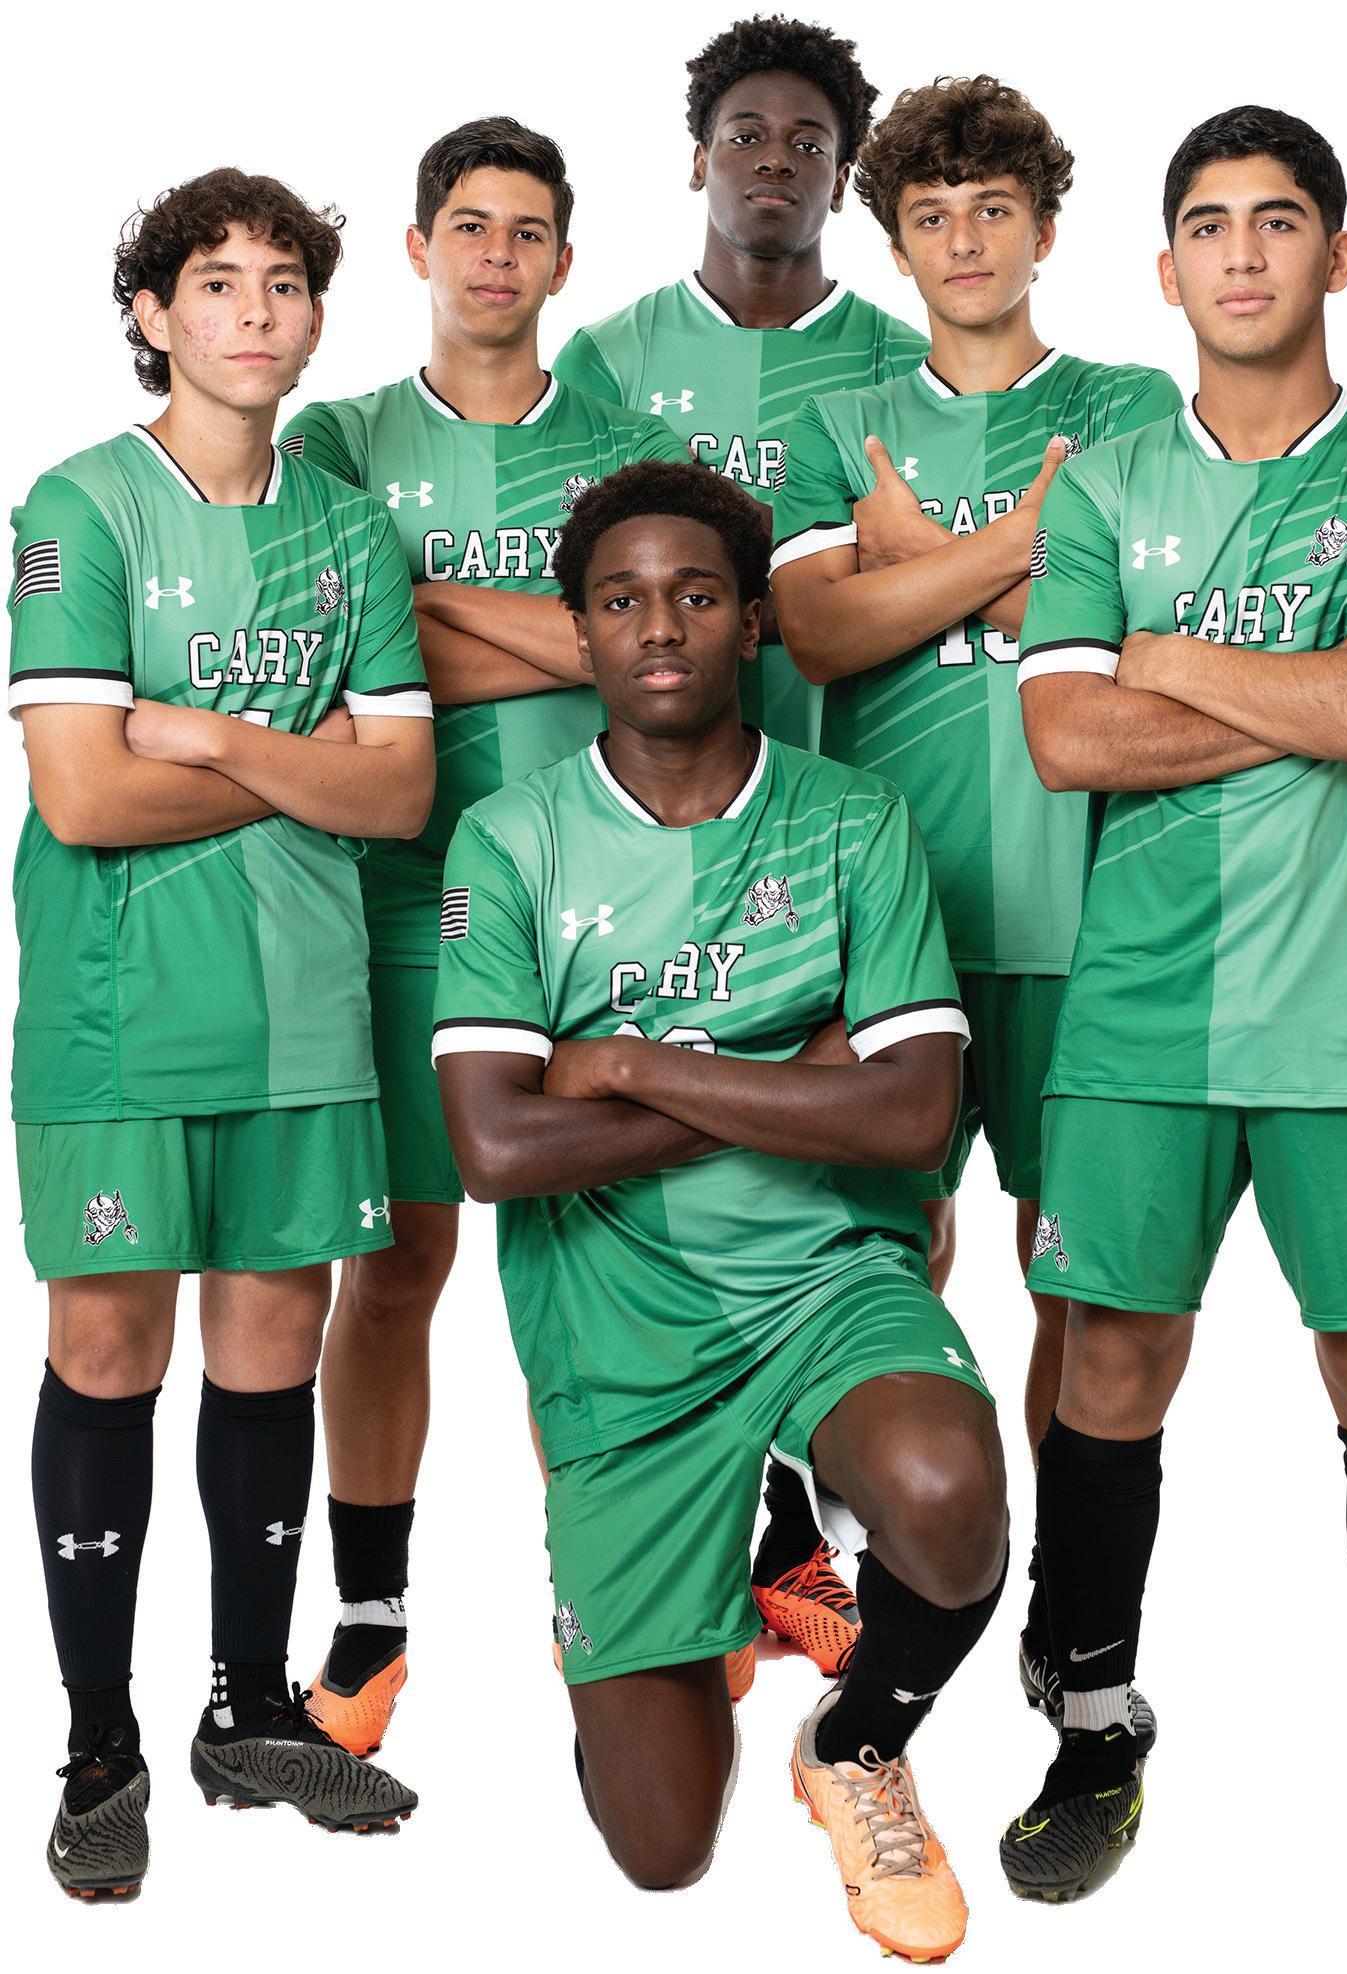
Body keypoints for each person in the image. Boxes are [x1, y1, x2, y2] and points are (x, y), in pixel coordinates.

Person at [998, 107, 1347, 1931]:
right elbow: (1067, 738)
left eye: (1279, 222)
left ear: (1336, 255)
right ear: (1165, 269)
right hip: (1136, 1007)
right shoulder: (1105, 484)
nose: (1244, 254)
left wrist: (1179, 659)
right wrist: (1318, 681)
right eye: (1208, 225)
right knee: (1110, 1371)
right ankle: (1096, 1732)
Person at [434, 459, 1006, 1961]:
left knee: (947, 1496)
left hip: (826, 1278)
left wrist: (624, 1063)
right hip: (616, 1324)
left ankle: (858, 1741)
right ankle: (675, 1580)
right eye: (620, 599)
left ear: (751, 621)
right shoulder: (509, 842)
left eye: (695, 594)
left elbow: (912, 1111)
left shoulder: (855, 820)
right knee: (663, 1850)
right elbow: (495, 1146)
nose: (659, 624)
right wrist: (791, 1075)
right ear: (580, 632)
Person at [10, 168, 431, 1898]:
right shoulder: (81, 508)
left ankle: (250, 1708)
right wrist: (299, 760)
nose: (255, 311)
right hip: (119, 1013)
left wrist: (209, 733)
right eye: (216, 282)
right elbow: (84, 796)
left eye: (284, 283)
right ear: (152, 314)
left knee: (273, 1345)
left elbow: (398, 792)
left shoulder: (349, 530)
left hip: (306, 1010)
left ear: (318, 315)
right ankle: (99, 1746)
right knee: (111, 1350)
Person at [772, 75, 1180, 1730]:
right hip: (896, 919)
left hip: (1097, 909)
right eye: (931, 215)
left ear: (1045, 229)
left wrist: (916, 558)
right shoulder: (843, 420)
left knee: (1075, 1275)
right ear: (894, 242)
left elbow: (1146, 633)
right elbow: (817, 633)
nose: (964, 241)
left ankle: (1060, 1593)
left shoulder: (1135, 405)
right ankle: (898, 1568)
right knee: (884, 1259)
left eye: (993, 209)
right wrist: (1024, 543)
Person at [280, 117, 688, 1750]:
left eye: (527, 231)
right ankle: (372, 1613)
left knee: (611, 1278)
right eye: (469, 225)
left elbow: (656, 657)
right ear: (418, 249)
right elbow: (328, 660)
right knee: (394, 1267)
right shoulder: (335, 439)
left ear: (565, 263)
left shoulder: (631, 450)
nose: (497, 255)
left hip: (601, 916)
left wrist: (426, 605)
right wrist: (564, 634)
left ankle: (630, 1604)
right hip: (393, 903)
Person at [555, 13, 930, 1679]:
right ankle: (715, 1548)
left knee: (870, 1184)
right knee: (659, 1192)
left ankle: (819, 1518)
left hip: (840, 815)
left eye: (808, 143)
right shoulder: (609, 359)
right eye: (747, 135)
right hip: (650, 838)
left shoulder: (897, 367)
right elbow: (575, 586)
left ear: (843, 180)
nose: (775, 162)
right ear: (698, 158)